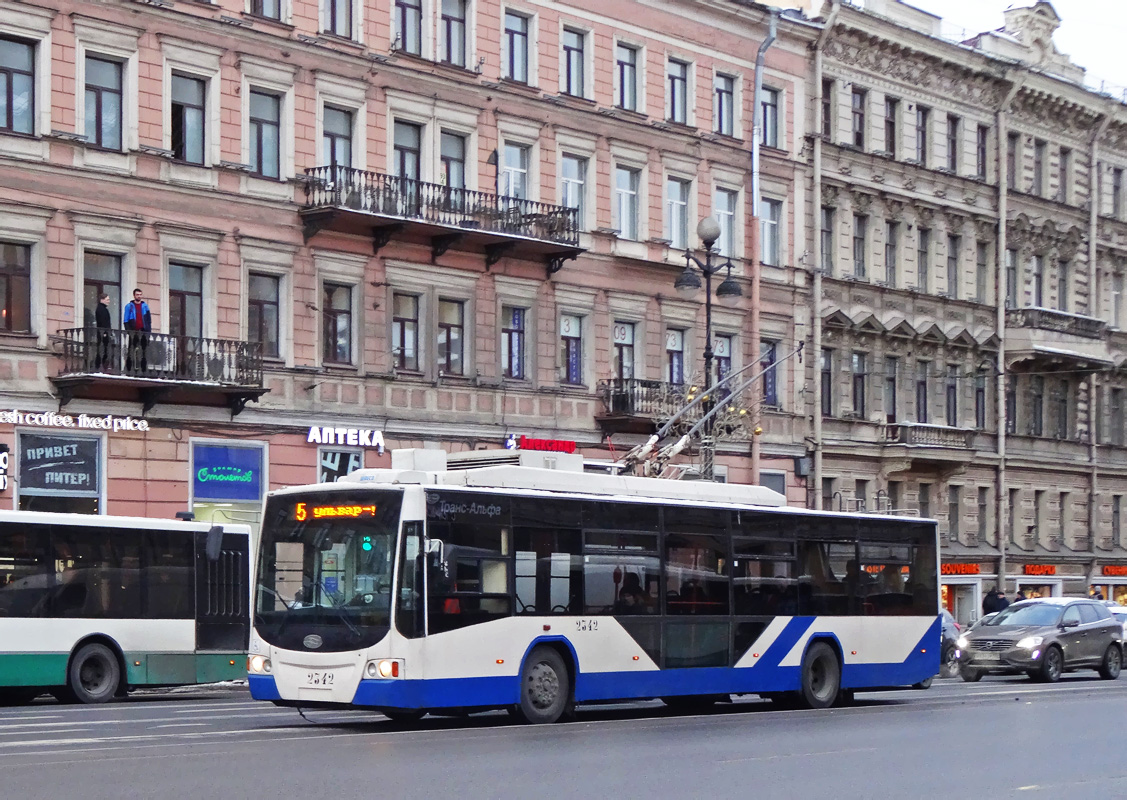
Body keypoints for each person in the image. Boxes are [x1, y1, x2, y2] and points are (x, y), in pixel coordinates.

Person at [123, 288, 151, 372]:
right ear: (134, 295)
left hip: (143, 331)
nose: (139, 296)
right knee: (131, 350)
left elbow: (148, 320)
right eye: (137, 295)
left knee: (144, 351)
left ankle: (143, 370)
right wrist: (129, 331)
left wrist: (148, 332)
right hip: (133, 331)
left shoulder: (145, 306)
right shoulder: (129, 306)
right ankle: (129, 369)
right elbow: (125, 320)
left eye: (140, 294)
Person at [94, 292, 112, 369]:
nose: (109, 301)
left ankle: (101, 365)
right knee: (103, 349)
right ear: (102, 300)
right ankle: (99, 366)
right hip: (103, 333)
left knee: (104, 349)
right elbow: (102, 322)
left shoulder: (102, 309)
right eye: (107, 299)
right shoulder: (101, 309)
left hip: (104, 332)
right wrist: (105, 332)